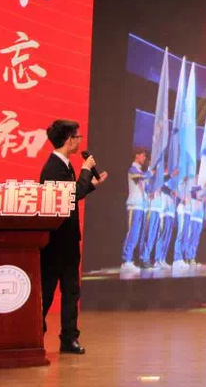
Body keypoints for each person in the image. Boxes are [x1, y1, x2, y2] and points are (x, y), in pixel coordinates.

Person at [39, 119, 107, 355]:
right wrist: (86, 170)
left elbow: (73, 193)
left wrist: (92, 184)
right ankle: (33, 335)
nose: (80, 141)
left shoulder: (64, 165)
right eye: (78, 137)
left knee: (71, 291)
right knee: (46, 292)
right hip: (55, 241)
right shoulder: (53, 168)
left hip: (67, 241)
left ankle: (69, 339)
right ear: (69, 140)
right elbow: (70, 195)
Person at [121, 148, 150, 271]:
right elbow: (140, 177)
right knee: (132, 234)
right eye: (143, 155)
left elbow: (147, 187)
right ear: (137, 156)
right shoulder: (132, 169)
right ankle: (126, 261)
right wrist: (150, 172)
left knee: (138, 235)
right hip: (134, 206)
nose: (144, 158)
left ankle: (131, 260)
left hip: (141, 207)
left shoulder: (141, 171)